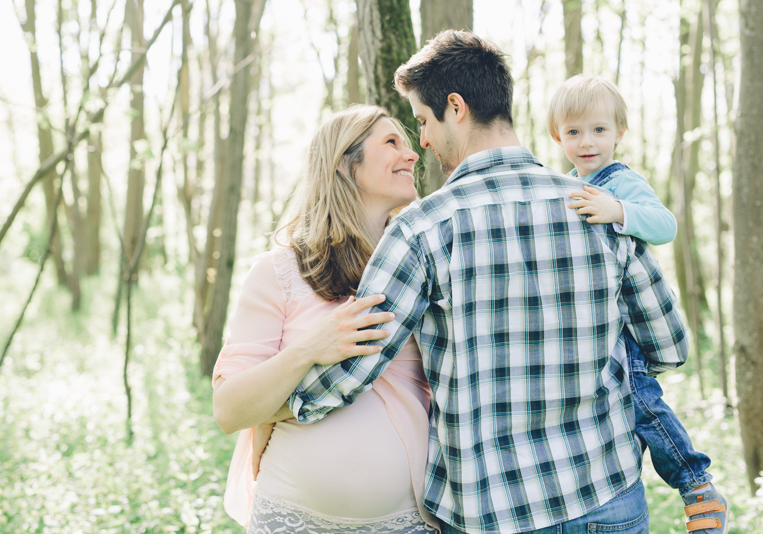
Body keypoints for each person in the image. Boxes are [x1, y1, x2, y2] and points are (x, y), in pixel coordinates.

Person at [289, 31, 690, 534]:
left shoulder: (424, 227)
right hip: (606, 496)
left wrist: (285, 400)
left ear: (455, 107)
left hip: (493, 513)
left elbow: (355, 363)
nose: (424, 141)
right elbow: (669, 346)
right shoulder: (596, 207)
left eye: (422, 120)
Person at [211, 105, 439, 534]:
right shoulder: (278, 272)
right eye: (392, 142)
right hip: (292, 517)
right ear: (343, 162)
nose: (412, 155)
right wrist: (310, 349)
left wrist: (278, 409)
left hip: (406, 519)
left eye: (408, 144)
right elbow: (227, 409)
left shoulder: (424, 270)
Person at [549, 74, 729, 534]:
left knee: (644, 406)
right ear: (558, 136)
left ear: (619, 133)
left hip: (628, 330)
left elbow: (665, 225)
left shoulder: (622, 181)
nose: (586, 142)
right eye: (573, 132)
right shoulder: (564, 184)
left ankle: (697, 484)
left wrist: (620, 212)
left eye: (598, 130)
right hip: (594, 329)